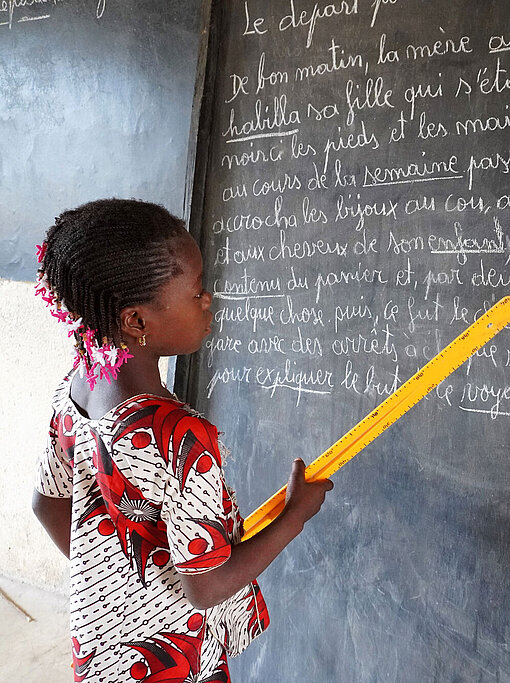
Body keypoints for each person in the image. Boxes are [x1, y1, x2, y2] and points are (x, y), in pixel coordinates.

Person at [32, 198, 333, 682]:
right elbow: (207, 586)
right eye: (195, 292)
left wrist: (117, 585)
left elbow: (47, 506)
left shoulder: (77, 386)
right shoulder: (179, 437)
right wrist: (294, 515)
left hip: (103, 649)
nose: (208, 300)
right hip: (171, 661)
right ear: (136, 321)